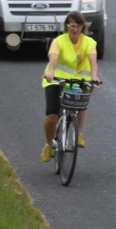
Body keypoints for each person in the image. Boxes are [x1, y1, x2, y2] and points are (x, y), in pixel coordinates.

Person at [40, 11, 100, 162]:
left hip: (79, 80)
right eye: (72, 26)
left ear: (82, 27)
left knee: (81, 105)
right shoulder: (59, 41)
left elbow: (93, 61)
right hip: (56, 79)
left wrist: (94, 76)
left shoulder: (89, 42)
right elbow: (53, 57)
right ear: (67, 26)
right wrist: (51, 72)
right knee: (52, 114)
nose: (75, 29)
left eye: (78, 26)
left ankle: (78, 134)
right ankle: (49, 144)